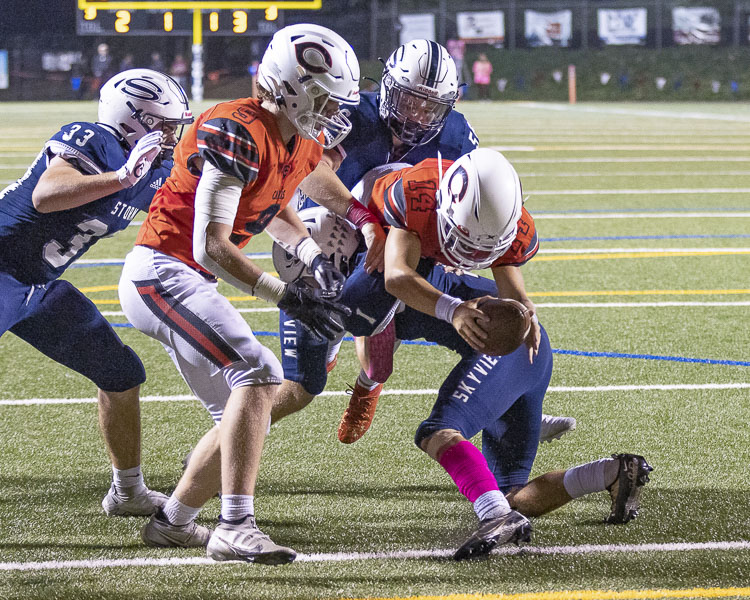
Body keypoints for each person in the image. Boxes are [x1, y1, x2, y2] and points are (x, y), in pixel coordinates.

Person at [331, 149, 653, 559]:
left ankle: (494, 516)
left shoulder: (389, 270)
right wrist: (469, 311)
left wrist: (483, 312)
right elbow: (394, 286)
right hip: (525, 354)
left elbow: (396, 282)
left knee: (438, 433)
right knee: (510, 495)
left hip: (509, 349)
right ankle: (608, 472)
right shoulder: (414, 198)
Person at [118, 24, 360, 565]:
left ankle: (174, 522)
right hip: (161, 270)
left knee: (243, 409)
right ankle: (234, 526)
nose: (329, 111)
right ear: (288, 85)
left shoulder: (296, 140)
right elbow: (209, 245)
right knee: (260, 370)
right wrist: (284, 295)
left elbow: (271, 208)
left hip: (184, 277)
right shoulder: (236, 129)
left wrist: (313, 259)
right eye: (321, 97)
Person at [273, 39, 575, 445]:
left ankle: (514, 415)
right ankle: (229, 437)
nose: (417, 114)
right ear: (387, 88)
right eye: (409, 100)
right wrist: (363, 219)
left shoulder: (455, 136)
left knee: (385, 357)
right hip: (327, 245)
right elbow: (309, 173)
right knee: (301, 385)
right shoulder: (352, 115)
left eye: (430, 106)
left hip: (400, 250)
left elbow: (476, 206)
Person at [0, 69, 193, 518]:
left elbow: (196, 203)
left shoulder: (150, 170)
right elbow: (47, 196)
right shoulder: (94, 139)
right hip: (2, 268)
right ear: (134, 119)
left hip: (38, 286)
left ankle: (128, 492)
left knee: (121, 373)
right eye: (163, 124)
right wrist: (123, 177)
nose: (169, 135)